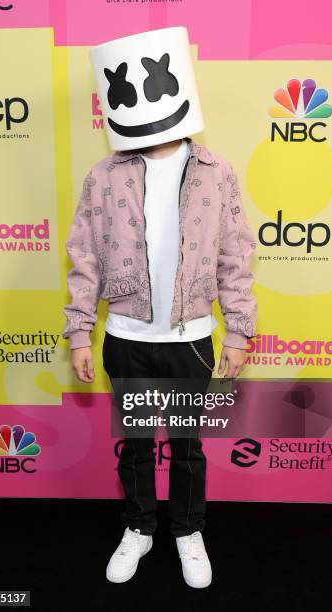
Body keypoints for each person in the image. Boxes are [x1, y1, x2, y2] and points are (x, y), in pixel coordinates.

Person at [62, 27, 258, 589]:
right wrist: (80, 332)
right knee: (138, 447)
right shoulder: (104, 175)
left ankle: (188, 530)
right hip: (127, 337)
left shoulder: (216, 173)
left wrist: (239, 331)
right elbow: (85, 256)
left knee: (189, 448)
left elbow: (234, 257)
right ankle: (140, 527)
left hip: (192, 338)